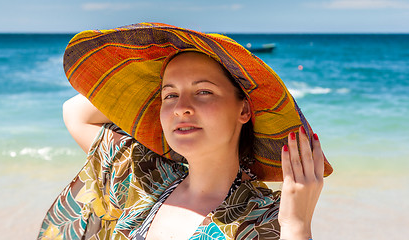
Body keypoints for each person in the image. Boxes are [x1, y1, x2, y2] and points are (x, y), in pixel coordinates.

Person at [38, 22, 333, 240]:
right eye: (170, 95)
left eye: (203, 92)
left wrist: (297, 225)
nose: (181, 108)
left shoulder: (268, 217)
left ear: (244, 109)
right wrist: (149, 102)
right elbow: (74, 112)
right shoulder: (146, 178)